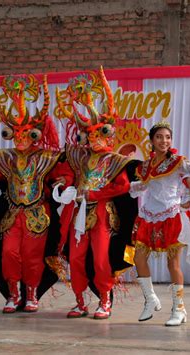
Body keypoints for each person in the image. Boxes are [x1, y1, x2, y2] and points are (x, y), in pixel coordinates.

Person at [0, 74, 72, 314]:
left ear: (35, 133)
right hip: (12, 215)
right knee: (9, 252)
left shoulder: (46, 157)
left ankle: (31, 295)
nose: (20, 139)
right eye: (15, 133)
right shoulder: (4, 156)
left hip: (37, 215)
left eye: (26, 133)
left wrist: (65, 181)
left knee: (32, 255)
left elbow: (62, 176)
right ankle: (13, 294)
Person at [55, 67, 137, 319]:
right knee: (76, 258)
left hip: (100, 214)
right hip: (78, 213)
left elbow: (122, 186)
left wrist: (95, 195)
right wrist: (65, 183)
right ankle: (80, 302)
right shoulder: (79, 156)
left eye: (99, 133)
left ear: (109, 133)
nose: (93, 139)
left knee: (101, 259)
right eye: (88, 135)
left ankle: (105, 301)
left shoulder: (114, 160)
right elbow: (68, 173)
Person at [129, 120, 190, 326]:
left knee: (172, 263)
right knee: (139, 258)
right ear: (151, 140)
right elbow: (145, 185)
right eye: (159, 137)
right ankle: (150, 300)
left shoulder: (178, 161)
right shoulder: (147, 165)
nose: (164, 141)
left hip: (171, 215)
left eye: (167, 137)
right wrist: (126, 186)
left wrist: (188, 193)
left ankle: (179, 309)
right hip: (149, 216)